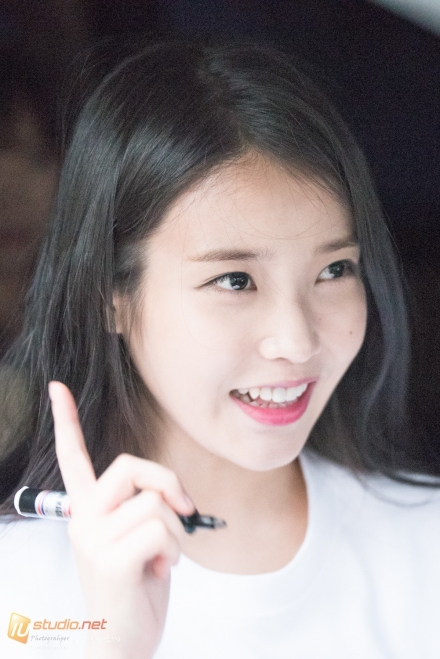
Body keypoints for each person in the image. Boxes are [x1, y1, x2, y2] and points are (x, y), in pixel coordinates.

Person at [0, 37, 439, 659]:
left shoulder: (424, 550)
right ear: (110, 295)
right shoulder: (17, 591)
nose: (296, 342)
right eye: (234, 281)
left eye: (334, 270)